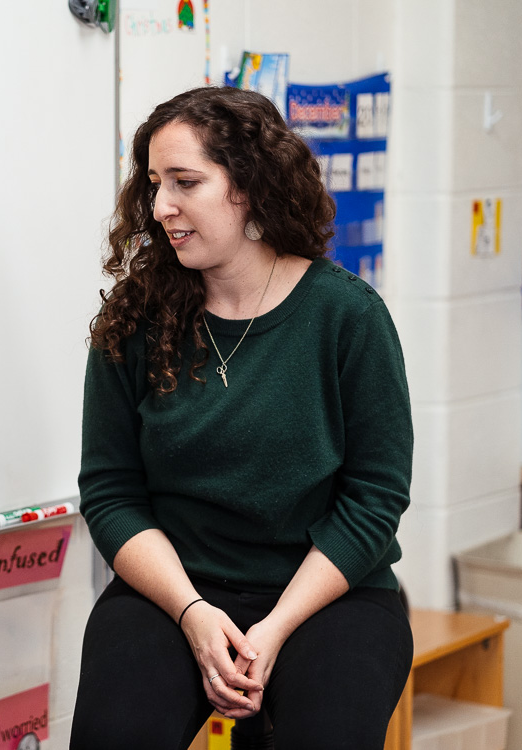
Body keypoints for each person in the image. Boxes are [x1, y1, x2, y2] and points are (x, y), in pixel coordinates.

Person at [69, 86, 414, 750]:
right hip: (174, 592)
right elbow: (110, 493)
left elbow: (373, 499)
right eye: (154, 184)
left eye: (185, 182)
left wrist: (276, 626)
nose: (161, 206)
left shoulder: (347, 317)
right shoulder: (133, 321)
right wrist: (192, 612)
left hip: (323, 596)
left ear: (248, 186)